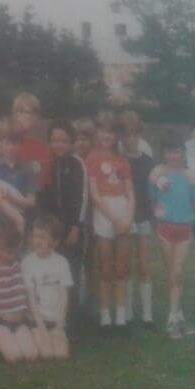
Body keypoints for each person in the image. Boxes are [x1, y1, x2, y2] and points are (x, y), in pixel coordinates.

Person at [37, 121, 86, 331]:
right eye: (55, 140)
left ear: (71, 142)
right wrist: (43, 228)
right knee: (51, 272)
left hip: (71, 229)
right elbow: (41, 196)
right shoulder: (46, 164)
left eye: (64, 141)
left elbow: (82, 197)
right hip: (51, 228)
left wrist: (76, 226)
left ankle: (70, 321)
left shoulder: (76, 164)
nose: (59, 145)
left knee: (70, 273)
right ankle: (50, 317)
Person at [151, 141, 195, 338]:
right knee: (172, 273)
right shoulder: (157, 173)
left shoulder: (189, 175)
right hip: (165, 228)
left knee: (178, 272)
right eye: (169, 152)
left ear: (183, 154)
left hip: (185, 228)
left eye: (177, 152)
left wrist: (194, 184)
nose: (174, 156)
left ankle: (173, 318)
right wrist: (154, 182)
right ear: (164, 154)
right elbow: (151, 196)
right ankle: (177, 316)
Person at [86, 123, 135, 330]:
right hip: (104, 212)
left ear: (116, 136)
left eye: (111, 132)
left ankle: (121, 317)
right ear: (98, 133)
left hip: (123, 210)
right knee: (105, 269)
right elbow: (94, 195)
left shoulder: (122, 159)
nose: (107, 135)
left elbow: (130, 191)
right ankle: (106, 316)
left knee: (122, 268)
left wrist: (128, 217)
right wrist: (115, 219)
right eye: (104, 131)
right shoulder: (92, 158)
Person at [0, 217, 38, 363]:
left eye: (9, 252)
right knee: (14, 356)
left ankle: (11, 339)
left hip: (20, 323)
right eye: (0, 249)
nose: (4, 255)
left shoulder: (18, 264)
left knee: (31, 355)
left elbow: (20, 221)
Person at [21, 215, 73, 359]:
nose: (38, 241)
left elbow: (64, 295)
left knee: (61, 355)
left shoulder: (61, 262)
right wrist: (41, 327)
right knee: (47, 354)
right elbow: (30, 298)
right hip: (37, 320)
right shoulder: (27, 263)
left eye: (43, 237)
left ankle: (55, 334)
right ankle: (36, 334)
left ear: (55, 241)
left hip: (55, 320)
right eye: (35, 236)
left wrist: (60, 324)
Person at [121, 125, 157, 326]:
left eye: (134, 134)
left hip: (143, 218)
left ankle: (147, 315)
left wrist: (153, 214)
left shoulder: (148, 161)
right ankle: (127, 312)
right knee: (126, 265)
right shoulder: (119, 160)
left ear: (139, 136)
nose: (130, 138)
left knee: (144, 266)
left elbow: (153, 190)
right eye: (127, 134)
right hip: (126, 218)